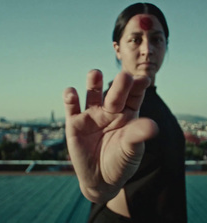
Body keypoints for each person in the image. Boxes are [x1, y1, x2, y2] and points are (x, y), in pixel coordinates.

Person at [63, 3, 187, 222]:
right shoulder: (111, 109)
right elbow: (100, 181)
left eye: (157, 39)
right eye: (135, 39)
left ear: (166, 45)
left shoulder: (153, 99)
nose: (147, 49)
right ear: (117, 48)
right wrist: (96, 188)